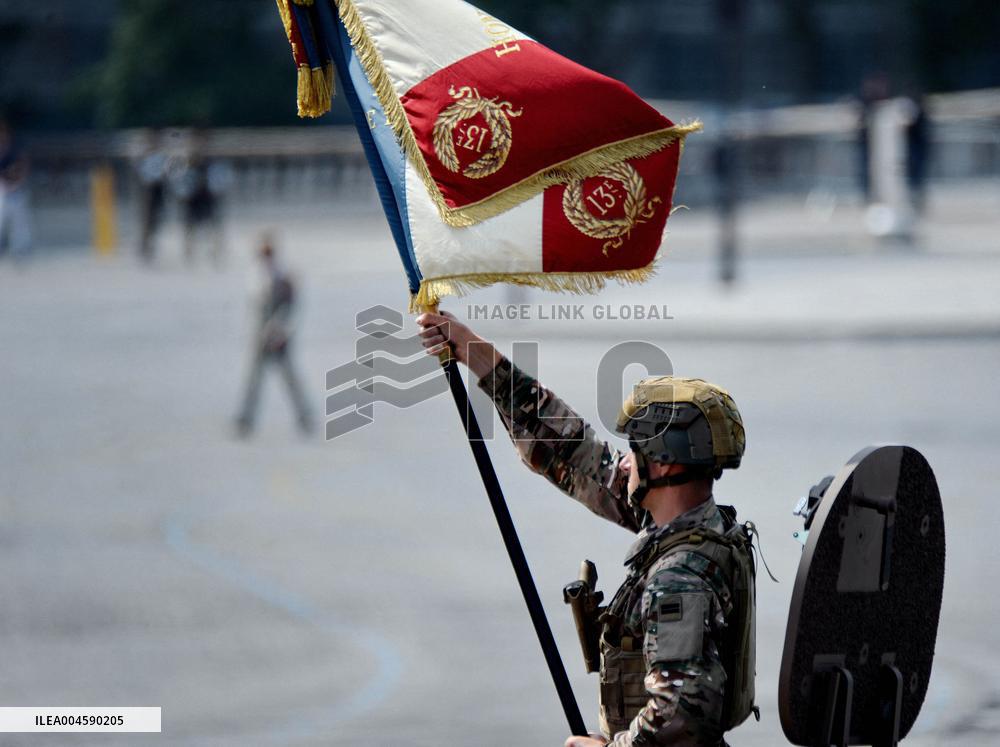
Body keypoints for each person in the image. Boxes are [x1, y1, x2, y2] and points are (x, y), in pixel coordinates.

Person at [416, 311, 758, 747]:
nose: (625, 461)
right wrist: (477, 355)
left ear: (666, 464)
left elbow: (682, 713)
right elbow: (575, 450)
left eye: (635, 450)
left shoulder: (680, 574)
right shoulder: (698, 526)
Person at [235, 236, 313, 437]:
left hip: (278, 338)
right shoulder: (259, 276)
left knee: (288, 380)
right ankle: (246, 419)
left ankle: (304, 417)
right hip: (263, 337)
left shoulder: (281, 278)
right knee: (256, 380)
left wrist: (279, 330)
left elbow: (289, 308)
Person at [0, 117, 32, 262]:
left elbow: (23, 168)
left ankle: (20, 249)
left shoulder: (14, 150)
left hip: (15, 189)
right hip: (2, 190)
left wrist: (16, 183)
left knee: (19, 222)